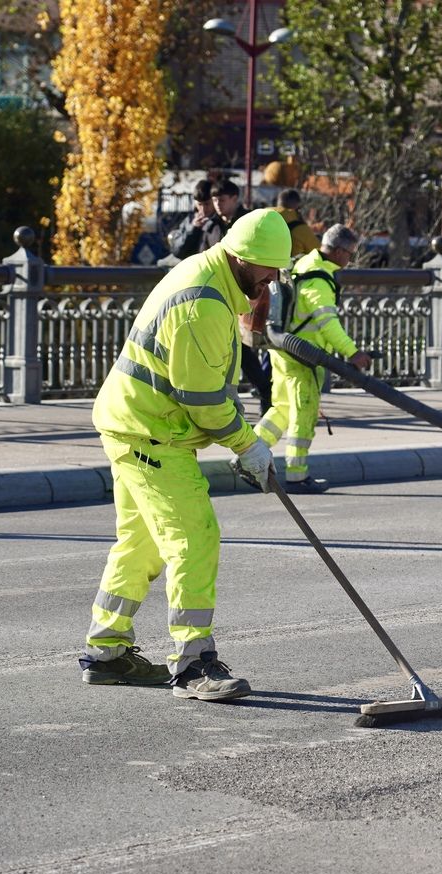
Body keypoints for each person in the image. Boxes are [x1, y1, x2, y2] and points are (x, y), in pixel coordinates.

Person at [78, 208, 292, 702]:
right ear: (240, 256)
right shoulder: (203, 304)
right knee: (195, 538)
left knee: (142, 545)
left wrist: (247, 325)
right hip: (153, 434)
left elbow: (208, 376)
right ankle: (194, 664)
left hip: (136, 422)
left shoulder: (213, 275)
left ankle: (106, 652)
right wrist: (248, 446)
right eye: (266, 269)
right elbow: (203, 401)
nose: (272, 279)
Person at [254, 224, 372, 493]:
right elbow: (327, 323)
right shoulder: (319, 280)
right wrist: (352, 353)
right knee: (303, 417)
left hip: (283, 349)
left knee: (281, 410)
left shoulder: (306, 262)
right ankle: (297, 477)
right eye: (350, 254)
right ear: (340, 252)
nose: (349, 260)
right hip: (302, 357)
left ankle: (245, 459)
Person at [203, 179, 272, 413]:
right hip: (215, 293)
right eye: (214, 200)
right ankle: (259, 393)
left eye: (221, 200)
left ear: (235, 198)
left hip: (242, 296)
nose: (217, 204)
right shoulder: (210, 226)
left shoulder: (247, 224)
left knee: (240, 348)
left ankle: (263, 391)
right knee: (230, 350)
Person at [167, 179, 216, 260]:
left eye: (207, 204)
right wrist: (193, 229)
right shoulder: (190, 220)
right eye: (200, 204)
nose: (203, 209)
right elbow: (178, 251)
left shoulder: (221, 220)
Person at [273, 188, 319, 259]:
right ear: (297, 206)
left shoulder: (260, 215)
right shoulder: (300, 228)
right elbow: (318, 253)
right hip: (284, 267)